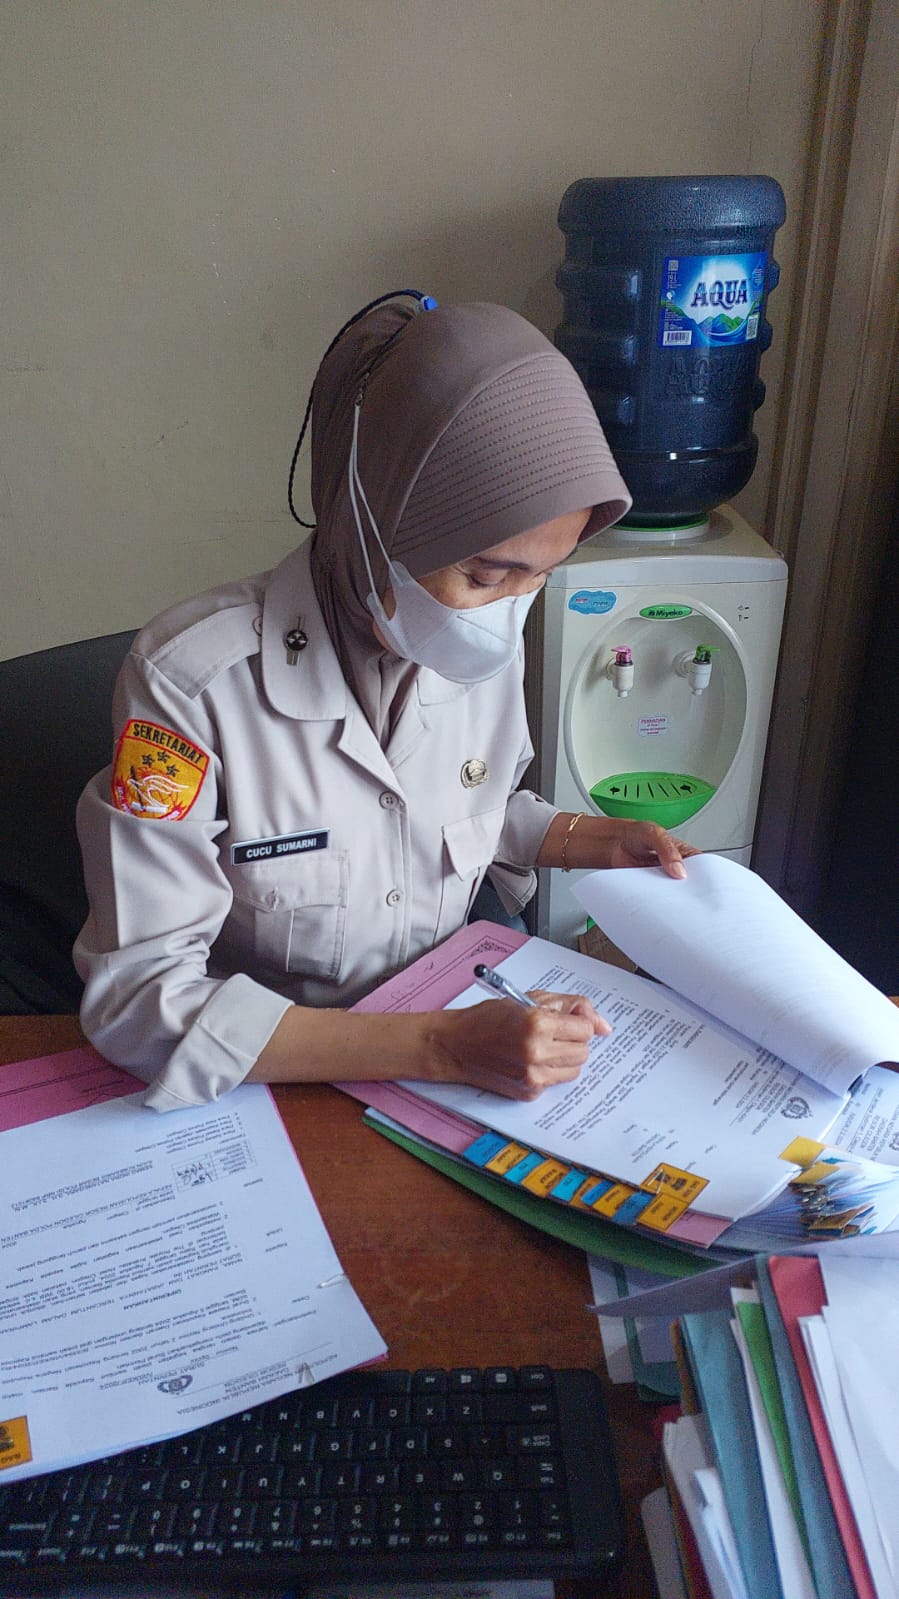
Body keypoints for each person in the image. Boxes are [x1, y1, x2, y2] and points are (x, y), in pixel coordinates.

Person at [74, 293, 695, 1113]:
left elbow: (447, 809)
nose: (506, 611)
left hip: (461, 1046)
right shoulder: (191, 684)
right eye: (486, 574)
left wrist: (573, 837)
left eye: (539, 578)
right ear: (375, 522)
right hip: (271, 1089)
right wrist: (438, 1044)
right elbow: (138, 999)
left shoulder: (476, 639)